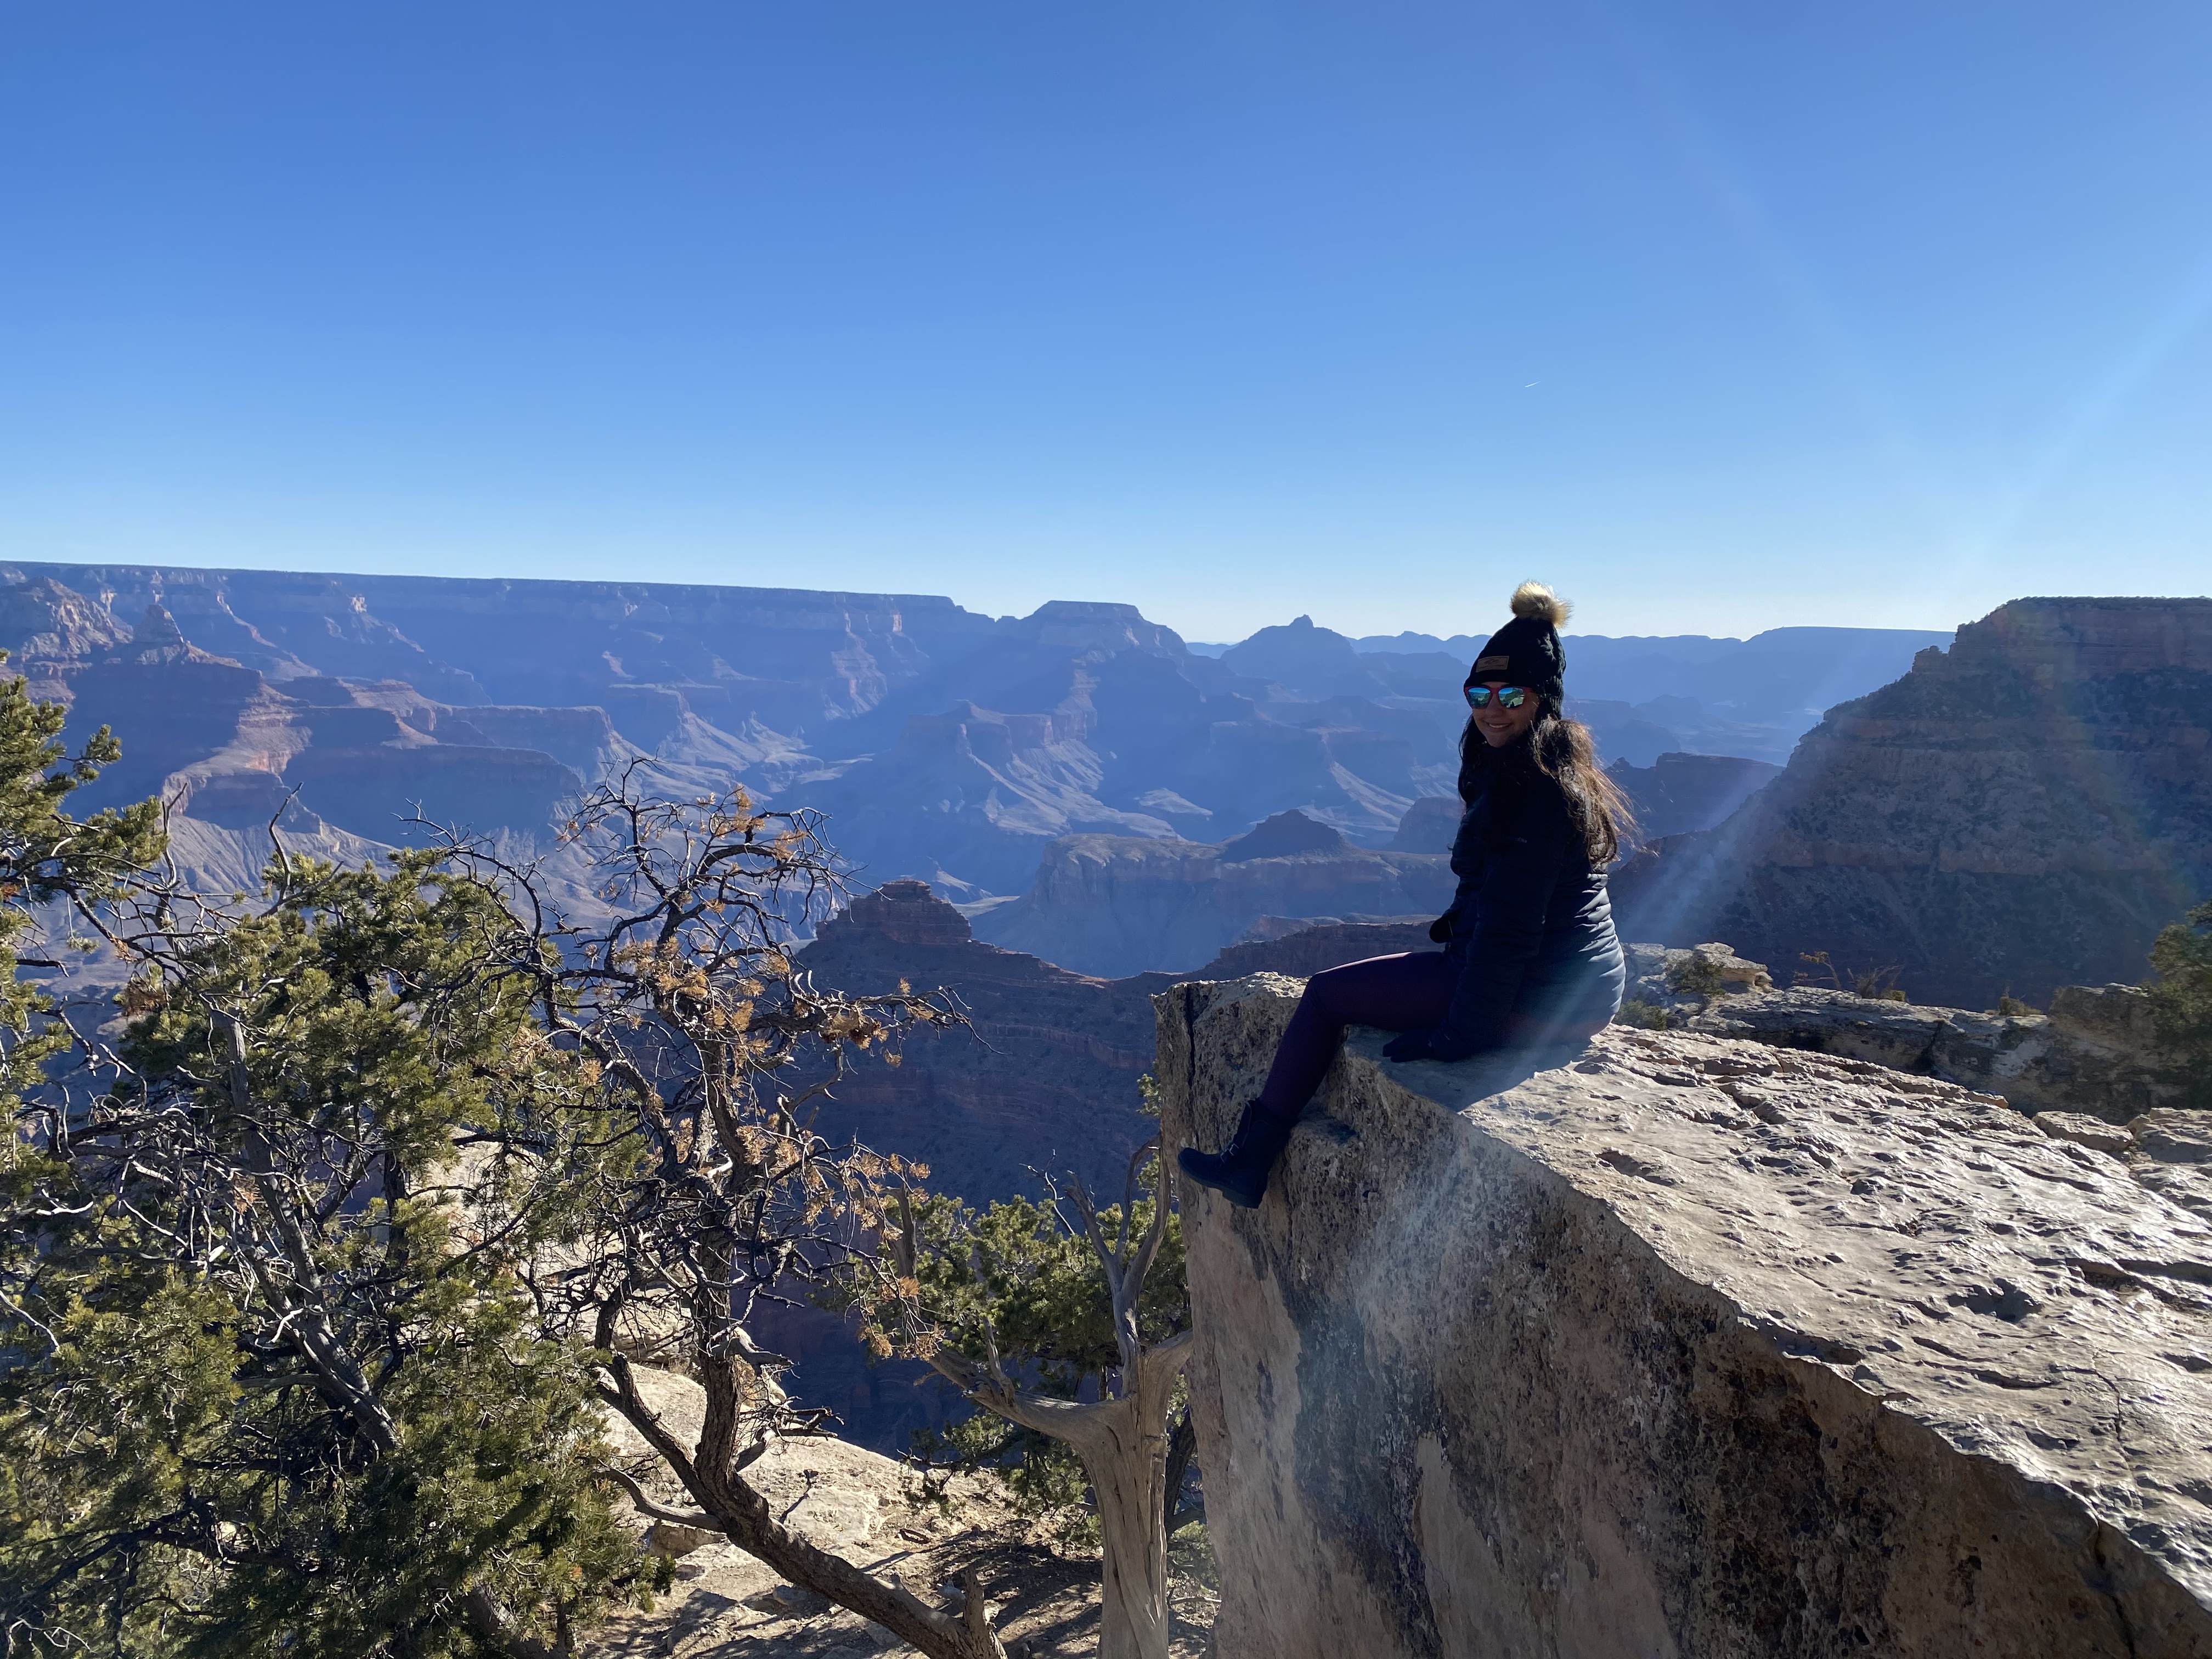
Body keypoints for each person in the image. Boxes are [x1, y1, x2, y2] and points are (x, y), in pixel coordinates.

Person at [1177, 582, 1630, 1209]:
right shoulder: (1547, 770)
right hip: (1578, 987)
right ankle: (1251, 1155)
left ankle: (1250, 1161)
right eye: (1479, 694)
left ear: (1542, 700)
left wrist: (1458, 1037)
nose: (1491, 710)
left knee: (1325, 996)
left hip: (1543, 995)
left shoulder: (1531, 793)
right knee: (1355, 985)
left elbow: (1508, 934)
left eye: (1510, 696)